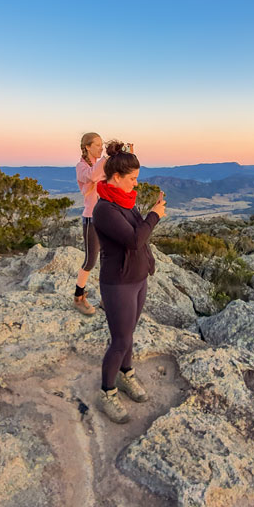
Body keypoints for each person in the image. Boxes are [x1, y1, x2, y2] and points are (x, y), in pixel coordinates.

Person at [92, 140, 167, 423]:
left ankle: (126, 376)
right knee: (120, 340)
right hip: (118, 283)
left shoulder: (126, 202)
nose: (135, 184)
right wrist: (154, 215)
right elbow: (136, 240)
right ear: (116, 177)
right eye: (132, 179)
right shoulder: (105, 210)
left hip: (137, 279)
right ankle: (107, 392)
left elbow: (138, 233)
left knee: (128, 335)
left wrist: (149, 212)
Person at [73, 133, 133, 315]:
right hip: (92, 217)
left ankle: (106, 298)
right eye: (97, 145)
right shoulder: (81, 167)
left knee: (109, 259)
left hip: (108, 216)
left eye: (102, 145)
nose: (101, 148)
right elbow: (92, 177)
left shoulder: (102, 165)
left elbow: (118, 175)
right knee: (90, 260)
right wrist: (108, 157)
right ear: (87, 147)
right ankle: (78, 297)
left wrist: (125, 156)